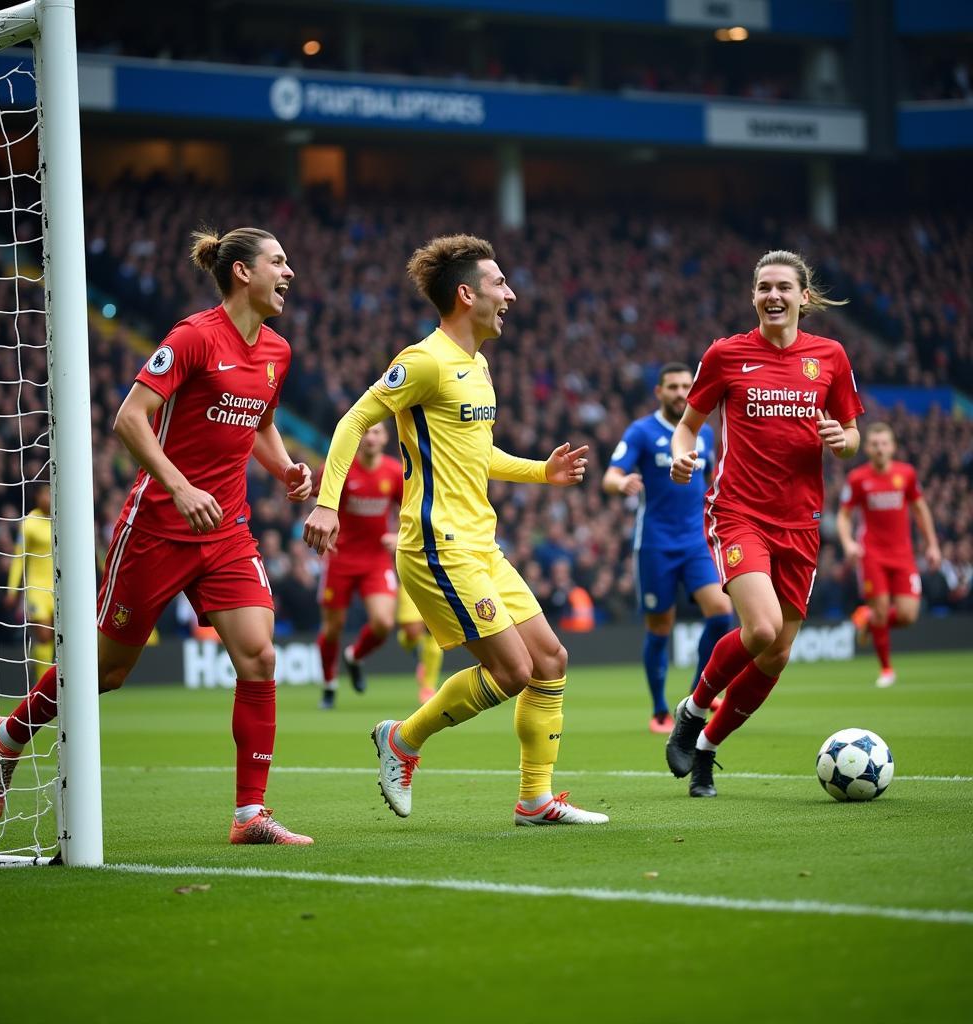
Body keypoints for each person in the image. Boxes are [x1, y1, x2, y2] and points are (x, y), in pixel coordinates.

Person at [0, 226, 315, 845]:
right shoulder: (191, 337)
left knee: (260, 656)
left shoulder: (277, 352)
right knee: (106, 673)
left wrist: (286, 466)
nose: (289, 273)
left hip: (227, 529)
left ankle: (250, 815)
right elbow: (129, 419)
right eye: (279, 261)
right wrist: (181, 488)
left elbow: (259, 426)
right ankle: (9, 736)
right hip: (159, 525)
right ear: (243, 272)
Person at [303, 233, 608, 827]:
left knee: (550, 659)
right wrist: (327, 503)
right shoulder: (423, 361)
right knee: (512, 670)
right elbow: (353, 419)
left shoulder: (478, 365)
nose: (510, 295)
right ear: (467, 294)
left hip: (479, 542)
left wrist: (541, 472)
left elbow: (478, 453)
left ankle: (535, 800)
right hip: (436, 544)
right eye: (499, 284)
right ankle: (402, 740)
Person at [664, 249, 863, 798]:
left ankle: (706, 749)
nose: (772, 296)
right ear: (753, 296)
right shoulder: (726, 355)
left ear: (804, 296)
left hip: (802, 521)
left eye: (783, 287)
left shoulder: (831, 356)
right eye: (763, 287)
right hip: (739, 511)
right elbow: (688, 427)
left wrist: (842, 442)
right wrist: (681, 455)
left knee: (776, 653)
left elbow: (851, 437)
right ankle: (693, 709)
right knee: (762, 629)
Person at [603, 362, 733, 734]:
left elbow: (710, 481)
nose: (680, 393)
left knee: (722, 614)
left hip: (696, 542)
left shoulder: (704, 434)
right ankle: (660, 710)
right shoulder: (642, 432)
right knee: (660, 626)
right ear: (659, 392)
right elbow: (609, 476)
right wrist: (623, 482)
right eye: (673, 387)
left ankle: (696, 698)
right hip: (656, 544)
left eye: (685, 386)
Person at [315, 422, 440, 709]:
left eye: (376, 432)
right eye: (365, 432)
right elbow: (318, 499)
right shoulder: (340, 468)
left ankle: (354, 657)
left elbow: (411, 510)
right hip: (340, 557)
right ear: (357, 437)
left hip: (376, 560)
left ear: (385, 438)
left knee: (383, 623)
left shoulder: (394, 472)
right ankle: (329, 685)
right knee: (333, 628)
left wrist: (398, 536)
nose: (370, 437)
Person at [837, 421, 941, 688]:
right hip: (872, 554)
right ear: (868, 448)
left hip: (903, 554)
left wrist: (932, 545)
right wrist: (848, 543)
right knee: (881, 610)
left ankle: (867, 620)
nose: (880, 448)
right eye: (874, 444)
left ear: (893, 447)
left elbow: (920, 509)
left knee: (907, 615)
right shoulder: (858, 478)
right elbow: (844, 515)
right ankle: (886, 670)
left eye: (885, 443)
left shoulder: (906, 474)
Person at [5, 482, 55, 676]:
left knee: (55, 639)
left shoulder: (62, 519)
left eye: (51, 494)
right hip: (37, 588)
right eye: (44, 495)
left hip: (58, 589)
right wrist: (12, 590)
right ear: (37, 497)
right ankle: (42, 688)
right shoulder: (29, 522)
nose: (48, 499)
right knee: (44, 636)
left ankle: (40, 663)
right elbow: (19, 558)